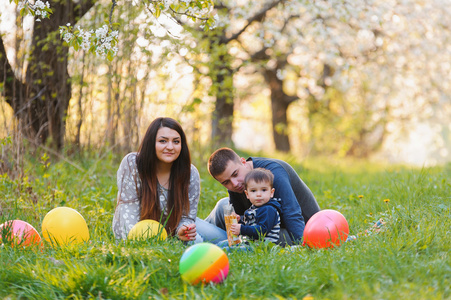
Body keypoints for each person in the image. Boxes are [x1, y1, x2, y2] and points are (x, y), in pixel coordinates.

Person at [112, 117, 226, 243]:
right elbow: (128, 208)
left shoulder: (190, 173)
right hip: (140, 230)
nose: (170, 147)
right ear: (151, 143)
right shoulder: (132, 164)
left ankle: (238, 239)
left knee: (227, 240)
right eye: (163, 141)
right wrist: (136, 240)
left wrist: (183, 229)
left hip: (174, 227)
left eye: (176, 142)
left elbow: (186, 217)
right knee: (197, 242)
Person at [206, 147, 320, 245]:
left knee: (257, 238)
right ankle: (193, 234)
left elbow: (292, 214)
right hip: (264, 223)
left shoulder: (273, 173)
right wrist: (239, 219)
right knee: (223, 206)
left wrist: (303, 246)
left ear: (243, 162)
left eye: (235, 174)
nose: (234, 184)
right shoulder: (236, 184)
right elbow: (242, 217)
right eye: (226, 182)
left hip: (301, 229)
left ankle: (215, 241)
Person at [230, 168, 281, 243]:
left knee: (227, 249)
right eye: (253, 191)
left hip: (262, 247)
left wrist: (241, 229)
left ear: (271, 192)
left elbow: (261, 231)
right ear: (247, 194)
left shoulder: (269, 210)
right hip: (251, 244)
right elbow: (250, 227)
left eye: (263, 190)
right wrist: (240, 221)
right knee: (222, 244)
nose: (258, 194)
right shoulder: (252, 209)